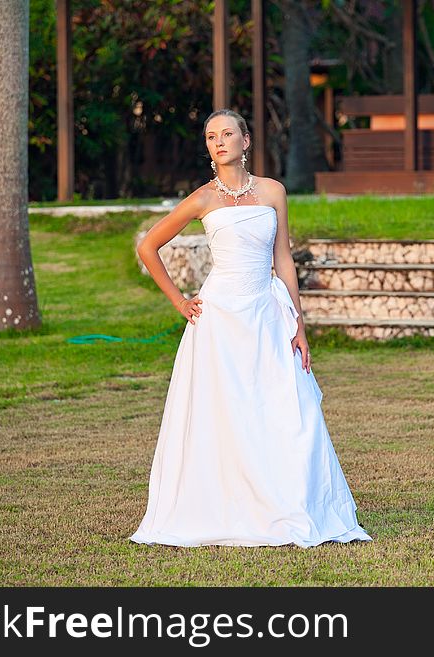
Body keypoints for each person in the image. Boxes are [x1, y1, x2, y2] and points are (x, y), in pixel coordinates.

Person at [129, 109, 372, 548]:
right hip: (219, 319)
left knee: (288, 411)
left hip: (266, 313)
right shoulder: (202, 198)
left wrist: (298, 323)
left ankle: (290, 504)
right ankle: (225, 504)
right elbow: (148, 245)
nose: (218, 142)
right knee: (223, 414)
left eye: (226, 134)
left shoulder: (273, 191)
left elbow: (283, 258)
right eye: (210, 136)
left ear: (246, 140)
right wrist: (179, 300)